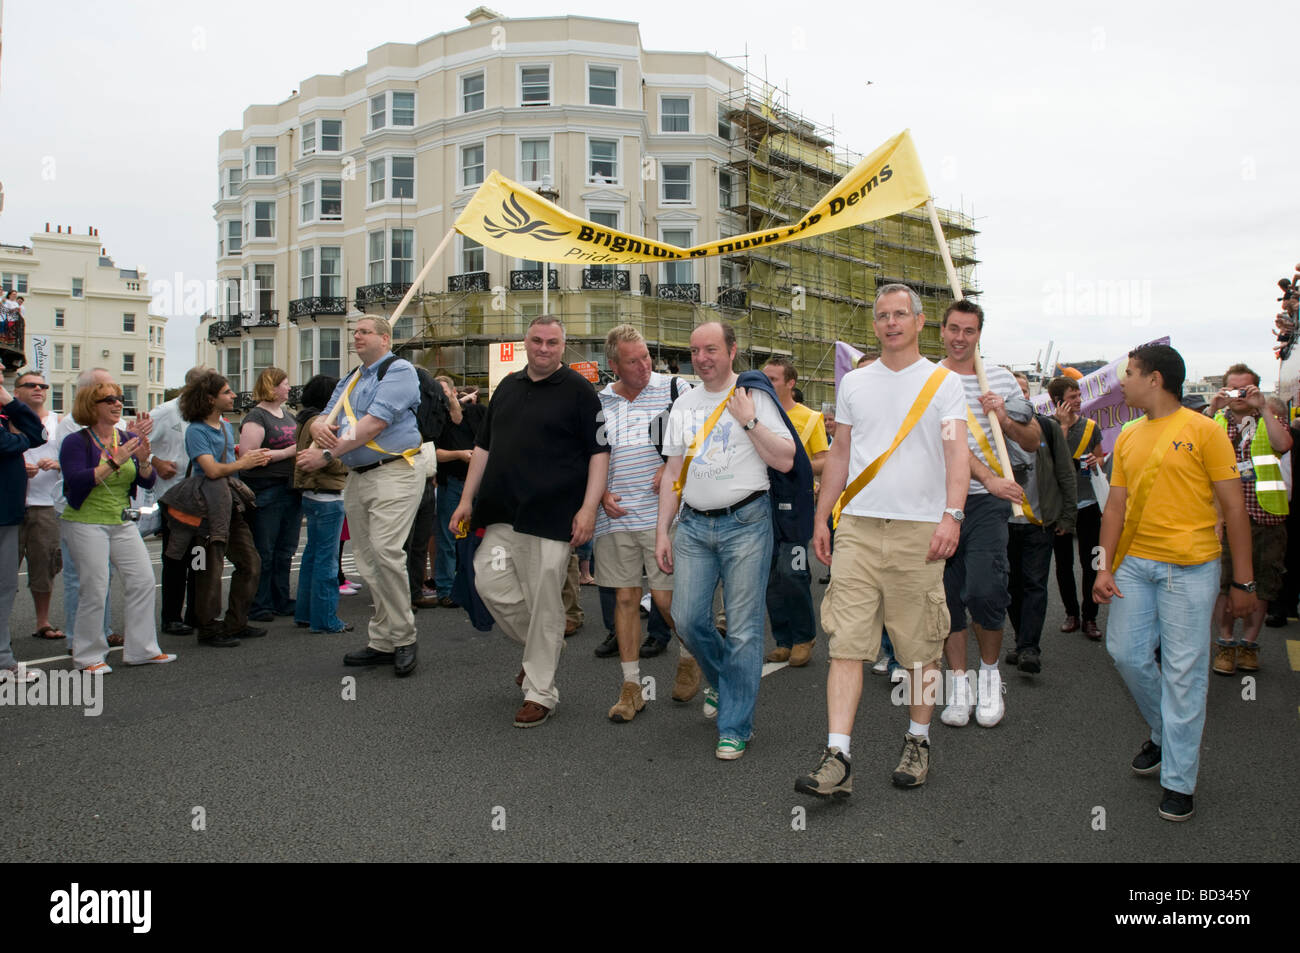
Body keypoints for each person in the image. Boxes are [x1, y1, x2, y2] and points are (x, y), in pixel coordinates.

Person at [795, 284, 968, 795]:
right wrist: (823, 516)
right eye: (882, 316)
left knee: (920, 648)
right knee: (846, 643)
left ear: (919, 323)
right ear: (875, 326)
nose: (890, 322)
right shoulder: (856, 384)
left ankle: (918, 740)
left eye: (900, 314)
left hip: (920, 531)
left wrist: (952, 516)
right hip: (860, 528)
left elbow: (957, 455)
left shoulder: (943, 383)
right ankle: (838, 756)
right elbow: (841, 454)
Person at [1094, 344, 1254, 822]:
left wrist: (1242, 582)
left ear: (1156, 379)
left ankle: (1179, 780)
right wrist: (1103, 567)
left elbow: (1233, 510)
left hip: (1191, 569)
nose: (1123, 382)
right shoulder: (1126, 434)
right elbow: (1115, 507)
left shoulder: (1206, 431)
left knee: (1185, 674)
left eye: (1130, 374)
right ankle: (1166, 732)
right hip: (1135, 567)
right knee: (1124, 653)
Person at [450, 315, 609, 727]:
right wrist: (466, 499)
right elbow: (482, 448)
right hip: (502, 512)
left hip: (553, 516)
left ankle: (540, 692)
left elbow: (599, 454)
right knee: (489, 582)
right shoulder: (507, 387)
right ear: (525, 343)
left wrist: (588, 509)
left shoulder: (579, 391)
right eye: (536, 341)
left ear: (563, 346)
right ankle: (544, 647)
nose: (543, 348)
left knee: (543, 599)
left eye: (552, 342)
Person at [655, 320, 797, 760]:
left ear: (732, 351)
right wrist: (663, 529)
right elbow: (673, 473)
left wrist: (749, 420)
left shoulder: (754, 396)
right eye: (696, 350)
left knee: (743, 628)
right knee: (687, 618)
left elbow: (787, 460)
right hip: (694, 526)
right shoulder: (683, 404)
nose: (702, 357)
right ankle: (724, 681)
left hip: (746, 523)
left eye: (711, 349)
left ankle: (735, 724)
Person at [300, 316, 424, 678]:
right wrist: (321, 427)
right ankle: (383, 640)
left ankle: (404, 637)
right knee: (368, 562)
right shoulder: (351, 379)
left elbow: (374, 423)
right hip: (358, 476)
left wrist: (325, 453)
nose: (356, 336)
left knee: (386, 553)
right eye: (354, 331)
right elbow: (325, 418)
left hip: (394, 471)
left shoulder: (400, 371)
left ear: (384, 339)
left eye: (364, 331)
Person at [937, 300, 1040, 729]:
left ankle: (990, 675)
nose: (961, 338)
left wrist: (1003, 416)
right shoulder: (929, 378)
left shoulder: (998, 377)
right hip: (937, 500)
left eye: (970, 331)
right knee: (946, 597)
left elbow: (1033, 439)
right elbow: (944, 443)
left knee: (984, 589)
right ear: (941, 331)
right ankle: (958, 683)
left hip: (985, 501)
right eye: (954, 329)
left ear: (980, 334)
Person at [593, 325, 687, 722]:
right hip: (613, 517)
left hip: (661, 516)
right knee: (626, 600)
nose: (645, 366)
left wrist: (671, 467)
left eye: (647, 356)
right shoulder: (597, 402)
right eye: (633, 361)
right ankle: (631, 687)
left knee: (666, 601)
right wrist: (598, 494)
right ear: (613, 365)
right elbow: (588, 453)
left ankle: (692, 655)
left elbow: (700, 439)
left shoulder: (675, 390)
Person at [58, 378, 174, 672]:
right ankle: (88, 656)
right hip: (86, 521)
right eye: (109, 400)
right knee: (95, 587)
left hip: (121, 521)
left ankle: (141, 649)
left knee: (143, 580)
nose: (117, 403)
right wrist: (115, 461)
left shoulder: (123, 437)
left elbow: (145, 480)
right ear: (91, 406)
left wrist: (144, 460)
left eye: (119, 398)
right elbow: (75, 481)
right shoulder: (76, 441)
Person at [1206, 363, 1291, 675]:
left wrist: (1263, 407)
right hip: (1223, 520)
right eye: (1233, 389)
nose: (1239, 395)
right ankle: (1226, 644)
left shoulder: (1269, 419)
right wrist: (1212, 409)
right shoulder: (1214, 421)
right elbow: (1188, 452)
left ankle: (1249, 645)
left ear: (1256, 389)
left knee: (1264, 586)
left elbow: (1283, 445)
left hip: (1265, 516)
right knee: (1225, 584)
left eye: (1246, 389)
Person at [180, 370, 269, 648]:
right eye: (227, 392)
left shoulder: (224, 425)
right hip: (207, 509)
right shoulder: (196, 431)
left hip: (230, 505)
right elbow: (211, 469)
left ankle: (235, 622)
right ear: (209, 399)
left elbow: (225, 465)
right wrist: (245, 463)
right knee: (209, 569)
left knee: (251, 563)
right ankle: (207, 628)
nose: (233, 396)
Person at [1004, 372, 1076, 674]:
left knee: (1035, 583)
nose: (1019, 397)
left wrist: (1067, 515)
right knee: (1010, 586)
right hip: (1002, 522)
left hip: (1039, 522)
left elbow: (1065, 472)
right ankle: (1023, 639)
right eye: (1013, 392)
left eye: (1024, 391)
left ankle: (1029, 647)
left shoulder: (1046, 428)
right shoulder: (990, 427)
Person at [762, 356, 828, 667]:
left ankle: (805, 636)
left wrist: (794, 466)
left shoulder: (811, 418)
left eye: (773, 379)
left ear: (791, 383)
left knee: (793, 571)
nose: (767, 384)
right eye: (765, 378)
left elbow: (825, 460)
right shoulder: (756, 414)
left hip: (795, 507)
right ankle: (783, 640)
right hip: (761, 503)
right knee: (770, 576)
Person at [239, 367, 301, 621]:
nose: (289, 388)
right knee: (264, 549)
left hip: (289, 488)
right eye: (284, 384)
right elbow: (248, 456)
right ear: (272, 386)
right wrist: (288, 452)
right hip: (266, 488)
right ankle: (259, 602)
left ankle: (280, 597)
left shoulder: (288, 416)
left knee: (285, 549)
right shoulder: (256, 417)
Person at [292, 374, 352, 633]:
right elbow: (328, 457)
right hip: (328, 494)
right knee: (327, 561)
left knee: (312, 556)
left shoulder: (305, 421)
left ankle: (305, 613)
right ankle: (325, 619)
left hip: (310, 493)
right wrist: (349, 460)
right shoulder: (326, 423)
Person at [1048, 375, 1105, 639]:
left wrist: (1097, 460)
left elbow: (1101, 455)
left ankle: (1090, 617)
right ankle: (1071, 613)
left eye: (1079, 396)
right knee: (1063, 563)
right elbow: (1049, 461)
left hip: (1089, 502)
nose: (1079, 401)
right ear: (1058, 401)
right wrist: (1062, 427)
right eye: (1073, 397)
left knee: (1091, 561)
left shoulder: (1091, 426)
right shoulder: (1047, 426)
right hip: (1060, 507)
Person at [149, 367, 204, 636]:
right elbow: (137, 442)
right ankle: (171, 616)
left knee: (199, 557)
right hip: (173, 496)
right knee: (175, 558)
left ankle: (196, 613)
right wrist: (156, 462)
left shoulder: (205, 415)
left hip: (201, 497)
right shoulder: (165, 412)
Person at [2, 378, 47, 683]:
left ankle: (3, 660)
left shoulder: (6, 413)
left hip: (7, 514)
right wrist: (21, 443)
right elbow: (10, 443)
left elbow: (38, 434)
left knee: (5, 589)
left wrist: (8, 400)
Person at [15, 371, 64, 641]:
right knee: (6, 568)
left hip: (46, 504)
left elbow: (72, 459)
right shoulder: (7, 419)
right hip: (12, 504)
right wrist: (17, 467)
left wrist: (57, 464)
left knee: (45, 565)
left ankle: (42, 622)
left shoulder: (59, 422)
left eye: (42, 385)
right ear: (17, 391)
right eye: (30, 385)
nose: (38, 389)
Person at [431, 375, 484, 607]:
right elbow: (432, 453)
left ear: (454, 392)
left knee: (479, 537)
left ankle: (477, 585)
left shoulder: (477, 413)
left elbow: (489, 443)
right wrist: (460, 454)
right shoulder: (436, 421)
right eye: (437, 393)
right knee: (448, 537)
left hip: (479, 484)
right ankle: (446, 589)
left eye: (444, 391)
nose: (441, 396)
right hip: (451, 483)